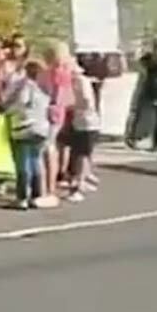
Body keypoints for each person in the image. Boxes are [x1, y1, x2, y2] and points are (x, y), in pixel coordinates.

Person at [3, 59, 50, 210]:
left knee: (23, 163)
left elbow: (21, 103)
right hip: (41, 127)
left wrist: (8, 109)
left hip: (25, 127)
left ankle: (22, 196)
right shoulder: (45, 88)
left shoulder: (26, 86)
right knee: (35, 161)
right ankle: (36, 195)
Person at [41, 40, 76, 201]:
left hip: (51, 112)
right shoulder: (64, 71)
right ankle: (49, 186)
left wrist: (51, 106)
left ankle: (49, 189)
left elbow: (57, 95)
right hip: (57, 112)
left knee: (48, 148)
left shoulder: (56, 72)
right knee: (50, 147)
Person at [67, 66, 101, 202]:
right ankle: (84, 179)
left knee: (81, 155)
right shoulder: (79, 81)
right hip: (82, 121)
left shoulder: (81, 81)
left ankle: (80, 185)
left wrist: (72, 105)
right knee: (84, 154)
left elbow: (86, 101)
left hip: (86, 122)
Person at [128, 39, 157, 152]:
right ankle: (155, 143)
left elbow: (142, 64)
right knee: (156, 120)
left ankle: (136, 138)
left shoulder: (153, 60)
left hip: (150, 90)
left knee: (143, 117)